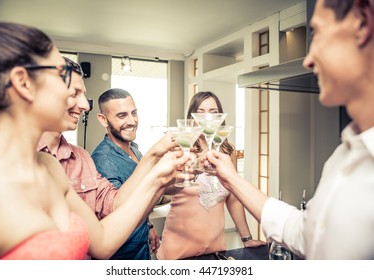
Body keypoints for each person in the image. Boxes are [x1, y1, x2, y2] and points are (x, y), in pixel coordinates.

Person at [0, 21, 188, 260]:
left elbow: (101, 242)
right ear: (23, 83)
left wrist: (158, 177)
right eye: (61, 78)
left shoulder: (49, 167)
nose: (83, 104)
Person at [205, 0, 374, 260]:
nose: (308, 59)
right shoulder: (342, 157)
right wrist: (231, 178)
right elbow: (304, 233)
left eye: (316, 33)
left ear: (361, 24)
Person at [37, 58, 169, 259]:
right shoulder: (9, 161)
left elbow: (115, 205)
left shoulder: (81, 158)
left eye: (134, 113)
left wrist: (154, 160)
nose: (84, 105)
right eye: (75, 94)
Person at [157, 91, 266, 260]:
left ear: (220, 117)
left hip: (215, 248)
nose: (207, 117)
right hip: (178, 249)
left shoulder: (228, 152)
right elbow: (163, 189)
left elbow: (233, 197)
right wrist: (191, 172)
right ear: (191, 117)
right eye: (200, 112)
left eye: (213, 112)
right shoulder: (178, 149)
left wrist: (247, 238)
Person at [91, 88, 160, 260]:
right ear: (103, 120)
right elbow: (120, 213)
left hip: (142, 245)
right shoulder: (103, 160)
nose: (132, 121)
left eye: (134, 113)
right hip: (123, 255)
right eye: (122, 116)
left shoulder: (135, 149)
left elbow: (137, 194)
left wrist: (149, 226)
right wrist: (160, 179)